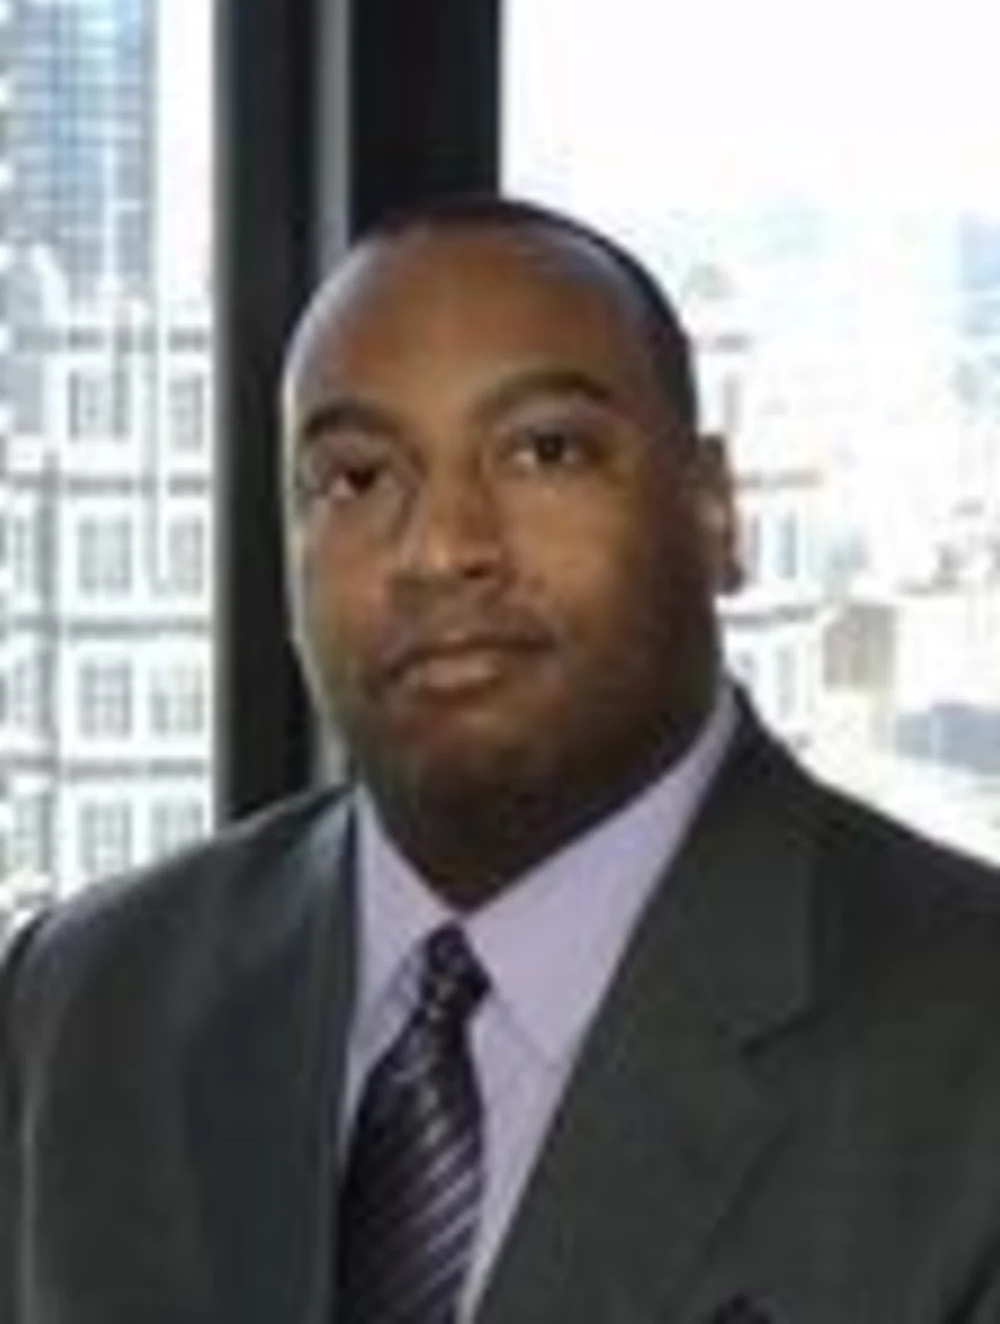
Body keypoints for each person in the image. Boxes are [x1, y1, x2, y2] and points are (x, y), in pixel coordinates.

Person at [4, 197, 1000, 1324]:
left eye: (544, 452)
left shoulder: (968, 1046)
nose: (440, 548)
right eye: (356, 477)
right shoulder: (86, 1000)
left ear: (715, 511)